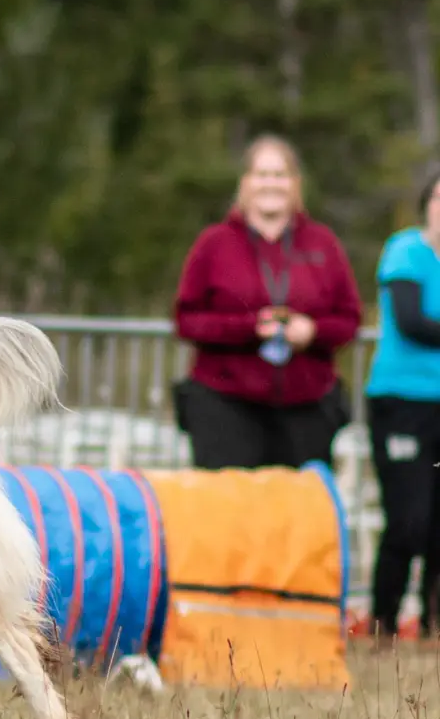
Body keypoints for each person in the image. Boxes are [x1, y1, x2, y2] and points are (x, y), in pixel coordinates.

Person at [172, 134, 362, 469]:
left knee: (296, 515)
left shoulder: (323, 244)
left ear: (295, 184)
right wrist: (249, 328)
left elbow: (349, 319)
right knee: (230, 513)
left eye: (280, 175)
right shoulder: (214, 243)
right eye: (262, 174)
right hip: (225, 404)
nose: (271, 184)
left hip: (306, 406)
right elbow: (186, 319)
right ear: (245, 183)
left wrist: (312, 331)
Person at [364, 167, 440, 639]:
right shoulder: (406, 251)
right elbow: (412, 322)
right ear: (428, 205)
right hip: (401, 404)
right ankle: (382, 626)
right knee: (408, 519)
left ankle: (433, 627)